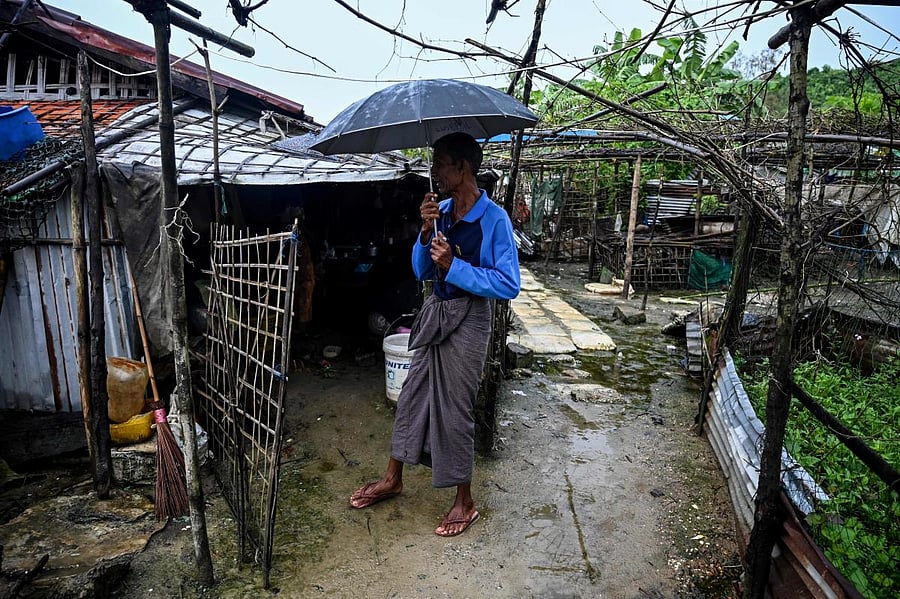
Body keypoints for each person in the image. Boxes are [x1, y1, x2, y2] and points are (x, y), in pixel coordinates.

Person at [349, 131, 521, 537]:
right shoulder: (439, 211)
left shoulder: (494, 219)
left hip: (470, 318)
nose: (434, 171)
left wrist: (455, 267)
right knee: (412, 395)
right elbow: (421, 272)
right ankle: (393, 477)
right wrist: (426, 234)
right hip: (437, 311)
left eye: (441, 162)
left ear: (463, 168)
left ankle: (466, 501)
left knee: (455, 407)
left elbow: (508, 284)